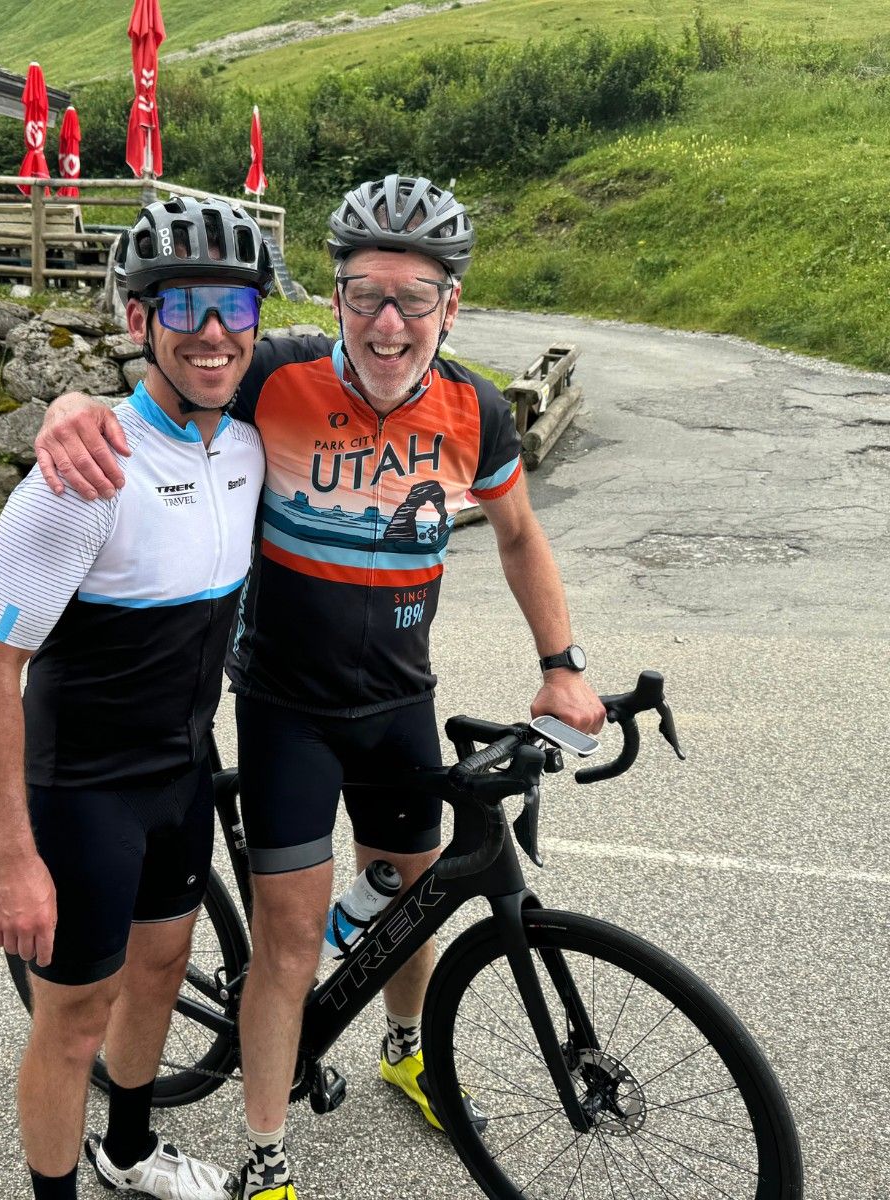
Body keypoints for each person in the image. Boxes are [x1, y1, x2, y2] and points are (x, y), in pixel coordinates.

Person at [33, 175, 605, 1200]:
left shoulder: (474, 408)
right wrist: (70, 406)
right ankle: (266, 1153)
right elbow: (165, 385)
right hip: (286, 708)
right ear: (335, 298)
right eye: (367, 295)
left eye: (414, 298)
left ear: (450, 306)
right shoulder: (274, 374)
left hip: (399, 698)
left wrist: (560, 666)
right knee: (291, 940)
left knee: (416, 901)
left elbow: (520, 534)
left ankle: (405, 1051)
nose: (389, 323)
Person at [0, 195, 274, 1200]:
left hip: (182, 773)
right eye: (184, 305)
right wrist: (10, 861)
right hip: (83, 793)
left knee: (161, 971)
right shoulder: (81, 477)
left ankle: (129, 1151)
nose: (213, 331)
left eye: (234, 305)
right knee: (73, 1021)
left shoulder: (247, 443)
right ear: (139, 320)